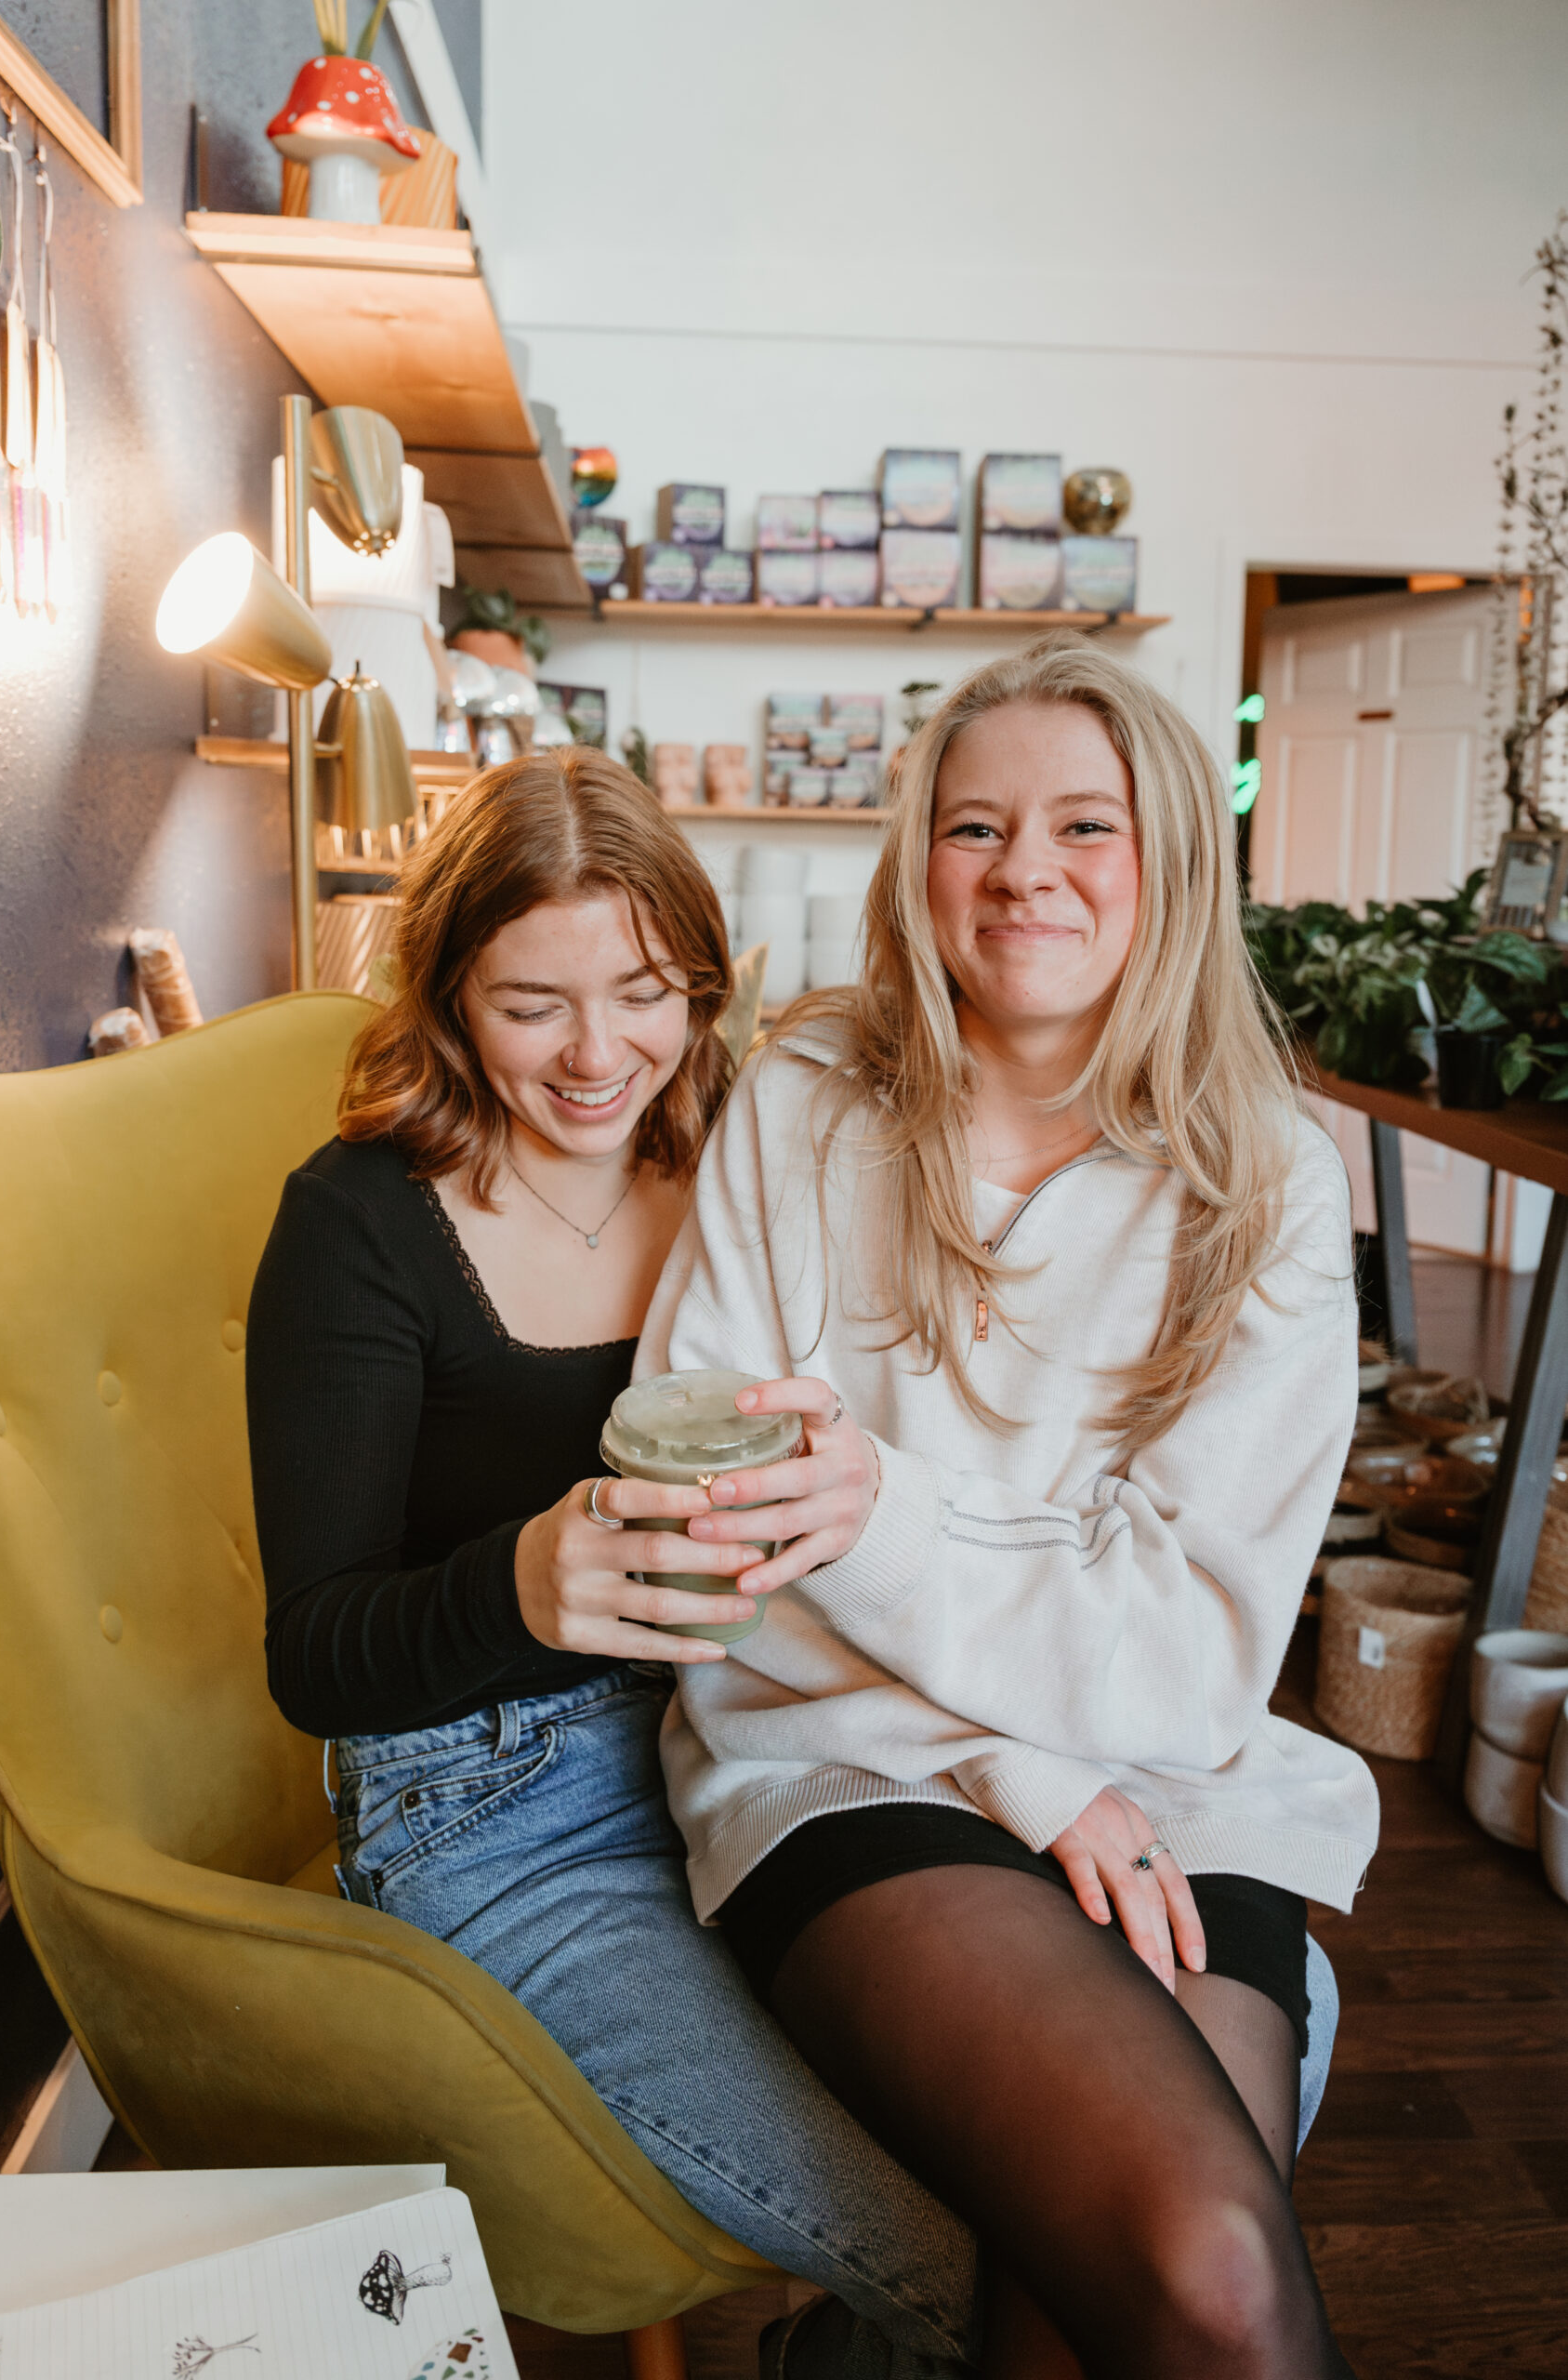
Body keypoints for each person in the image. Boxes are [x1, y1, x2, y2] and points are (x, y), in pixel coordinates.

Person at [636, 640, 1379, 2379]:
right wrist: (1021, 1770)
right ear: (919, 863)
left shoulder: (1265, 1179)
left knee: (1174, 2285)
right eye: (975, 826)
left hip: (1167, 1780)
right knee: (1193, 2249)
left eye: (1084, 826)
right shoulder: (804, 1105)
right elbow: (719, 1526)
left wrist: (876, 1508)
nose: (1024, 868)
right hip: (845, 1755)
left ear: (1173, 858)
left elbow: (1196, 1643)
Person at [244, 749, 975, 2378]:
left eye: (644, 992)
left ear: (701, 982)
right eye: (529, 1007)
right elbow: (312, 1654)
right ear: (444, 997)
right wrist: (512, 1586)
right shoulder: (362, 1223)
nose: (597, 1059)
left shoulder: (742, 1151)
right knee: (977, 2249)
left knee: (1168, 2089)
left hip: (770, 1733)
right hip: (491, 1812)